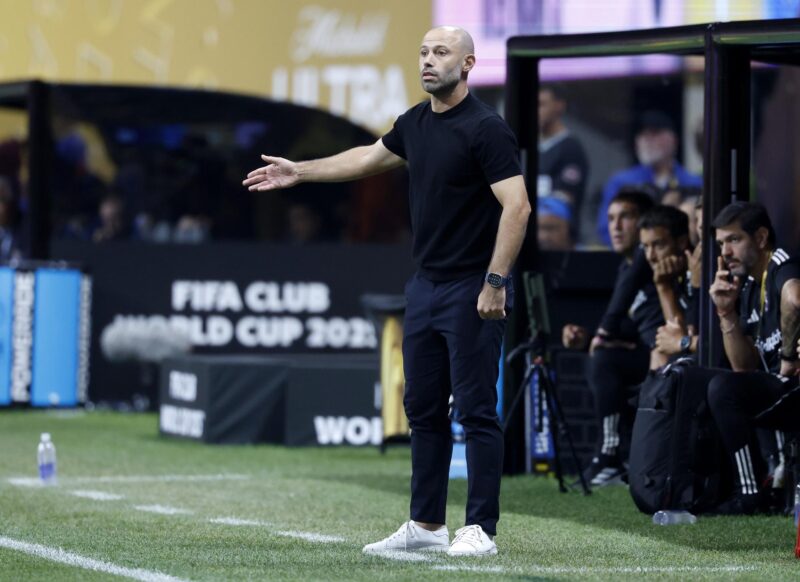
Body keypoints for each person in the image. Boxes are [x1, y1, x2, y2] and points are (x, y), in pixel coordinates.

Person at [243, 26, 530, 556]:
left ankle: (480, 529)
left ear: (467, 65)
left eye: (441, 53)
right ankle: (425, 526)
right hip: (424, 286)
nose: (428, 61)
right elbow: (367, 157)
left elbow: (518, 207)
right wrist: (299, 172)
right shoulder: (415, 123)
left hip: (471, 286)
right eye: (423, 52)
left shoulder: (486, 129)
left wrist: (495, 281)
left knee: (475, 410)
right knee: (420, 407)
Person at [704, 201, 800, 514]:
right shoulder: (746, 287)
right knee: (719, 385)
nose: (725, 252)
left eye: (733, 240)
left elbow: (795, 299)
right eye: (721, 243)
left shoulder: (779, 262)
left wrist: (787, 357)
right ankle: (752, 488)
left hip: (793, 382)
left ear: (760, 238)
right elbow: (743, 366)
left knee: (723, 388)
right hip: (780, 386)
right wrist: (725, 311)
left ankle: (751, 494)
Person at [561, 188, 656, 487]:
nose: (615, 226)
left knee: (603, 359)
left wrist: (601, 335)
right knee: (602, 357)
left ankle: (611, 455)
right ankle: (613, 454)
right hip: (646, 352)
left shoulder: (648, 259)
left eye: (625, 217)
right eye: (611, 218)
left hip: (673, 354)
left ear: (644, 224)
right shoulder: (626, 267)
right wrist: (589, 336)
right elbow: (630, 325)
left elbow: (621, 320)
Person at [596, 111, 701, 246]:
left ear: (673, 139)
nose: (647, 139)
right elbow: (606, 230)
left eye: (655, 133)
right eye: (642, 134)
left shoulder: (694, 183)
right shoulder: (621, 182)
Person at [537, 84, 588, 229]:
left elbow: (564, 200)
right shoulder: (526, 147)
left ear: (558, 106)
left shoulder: (571, 149)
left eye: (541, 104)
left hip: (556, 235)